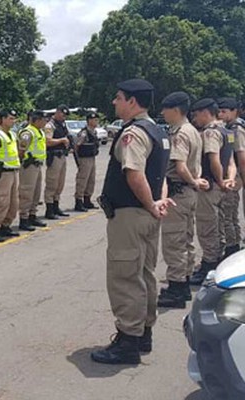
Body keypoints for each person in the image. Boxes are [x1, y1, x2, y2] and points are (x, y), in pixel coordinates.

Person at [91, 79, 172, 365]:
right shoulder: (158, 131)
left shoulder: (134, 133)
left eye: (118, 97)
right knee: (145, 274)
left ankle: (127, 341)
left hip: (130, 214)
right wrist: (157, 204)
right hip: (147, 214)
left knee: (125, 275)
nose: (114, 102)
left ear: (133, 102)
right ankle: (143, 333)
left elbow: (134, 173)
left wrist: (151, 204)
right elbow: (162, 176)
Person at [157, 92, 206, 309]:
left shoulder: (180, 134)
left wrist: (193, 181)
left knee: (174, 242)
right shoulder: (193, 131)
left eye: (165, 109)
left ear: (175, 110)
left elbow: (180, 166)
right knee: (186, 239)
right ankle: (183, 283)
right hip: (189, 194)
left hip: (179, 192)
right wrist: (195, 182)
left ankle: (176, 289)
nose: (162, 113)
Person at [190, 98, 237, 285]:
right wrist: (229, 179)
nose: (195, 118)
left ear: (205, 112)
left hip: (210, 187)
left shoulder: (210, 132)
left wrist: (218, 180)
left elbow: (214, 159)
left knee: (207, 227)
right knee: (218, 226)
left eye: (196, 114)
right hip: (223, 187)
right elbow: (231, 161)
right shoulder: (227, 131)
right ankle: (216, 259)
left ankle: (209, 264)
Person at [0, 109, 21, 242]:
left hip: (13, 171)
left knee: (13, 203)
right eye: (11, 118)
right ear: (3, 119)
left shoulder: (11, 134)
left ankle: (6, 226)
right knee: (1, 202)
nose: (13, 121)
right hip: (3, 172)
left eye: (14, 119)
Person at [218, 97, 243, 258]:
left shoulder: (236, 129)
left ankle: (232, 248)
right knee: (231, 214)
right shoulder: (230, 127)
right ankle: (234, 245)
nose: (220, 114)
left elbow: (241, 155)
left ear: (234, 111)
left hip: (234, 175)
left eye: (224, 111)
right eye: (219, 111)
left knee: (228, 214)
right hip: (235, 174)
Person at [17, 110, 48, 231]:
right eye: (43, 120)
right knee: (27, 192)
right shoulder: (27, 132)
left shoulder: (39, 131)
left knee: (36, 192)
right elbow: (21, 150)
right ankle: (23, 218)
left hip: (37, 165)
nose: (45, 122)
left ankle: (32, 215)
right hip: (29, 165)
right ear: (37, 120)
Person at [44, 105, 71, 219]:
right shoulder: (50, 125)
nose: (64, 117)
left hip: (62, 155)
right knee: (52, 183)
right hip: (54, 156)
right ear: (57, 112)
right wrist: (62, 140)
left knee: (60, 183)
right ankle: (49, 209)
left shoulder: (62, 124)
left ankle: (56, 206)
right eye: (62, 114)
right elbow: (47, 141)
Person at [74, 112, 100, 211]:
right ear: (89, 121)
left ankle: (87, 199)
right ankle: (79, 201)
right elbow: (77, 145)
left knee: (91, 180)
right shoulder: (84, 132)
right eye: (94, 120)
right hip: (84, 158)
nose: (96, 122)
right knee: (82, 179)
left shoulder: (94, 131)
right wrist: (78, 160)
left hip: (92, 157)